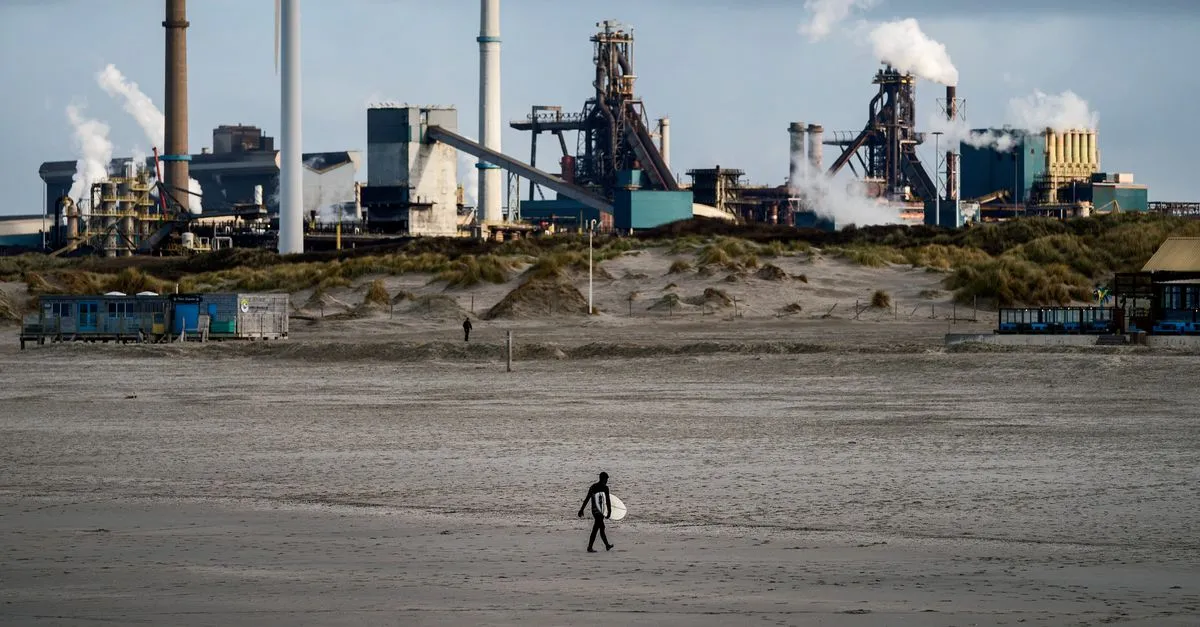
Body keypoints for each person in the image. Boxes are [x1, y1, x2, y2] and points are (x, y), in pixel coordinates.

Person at [577, 471, 614, 552]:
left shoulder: (593, 486)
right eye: (606, 479)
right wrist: (609, 511)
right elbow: (607, 501)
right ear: (603, 479)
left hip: (595, 510)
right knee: (596, 528)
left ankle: (606, 545)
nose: (607, 481)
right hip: (599, 511)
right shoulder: (605, 488)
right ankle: (590, 547)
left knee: (600, 527)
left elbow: (587, 498)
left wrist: (582, 509)